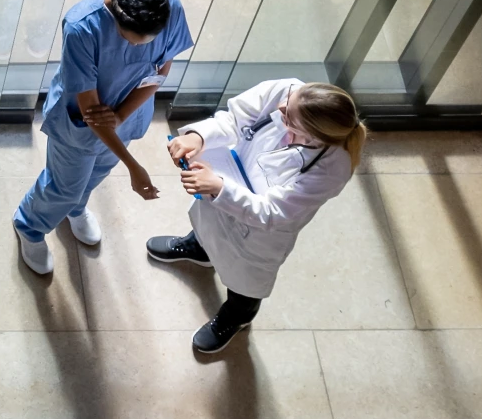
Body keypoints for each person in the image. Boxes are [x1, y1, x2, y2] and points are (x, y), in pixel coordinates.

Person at [147, 78, 363, 364]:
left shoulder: (330, 168)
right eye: (291, 98)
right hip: (228, 181)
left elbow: (271, 212)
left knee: (245, 282)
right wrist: (198, 137)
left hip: (260, 235)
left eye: (288, 116)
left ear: (310, 134)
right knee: (207, 221)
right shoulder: (285, 91)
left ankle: (236, 317)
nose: (282, 105)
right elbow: (236, 118)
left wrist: (220, 187)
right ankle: (199, 249)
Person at [12, 0, 192, 280]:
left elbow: (160, 71)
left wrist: (122, 115)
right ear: (117, 19)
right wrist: (135, 167)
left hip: (127, 116)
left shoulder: (168, 6)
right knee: (64, 186)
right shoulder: (82, 27)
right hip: (81, 123)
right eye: (135, 40)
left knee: (96, 171)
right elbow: (91, 111)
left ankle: (75, 209)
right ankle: (29, 224)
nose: (143, 46)